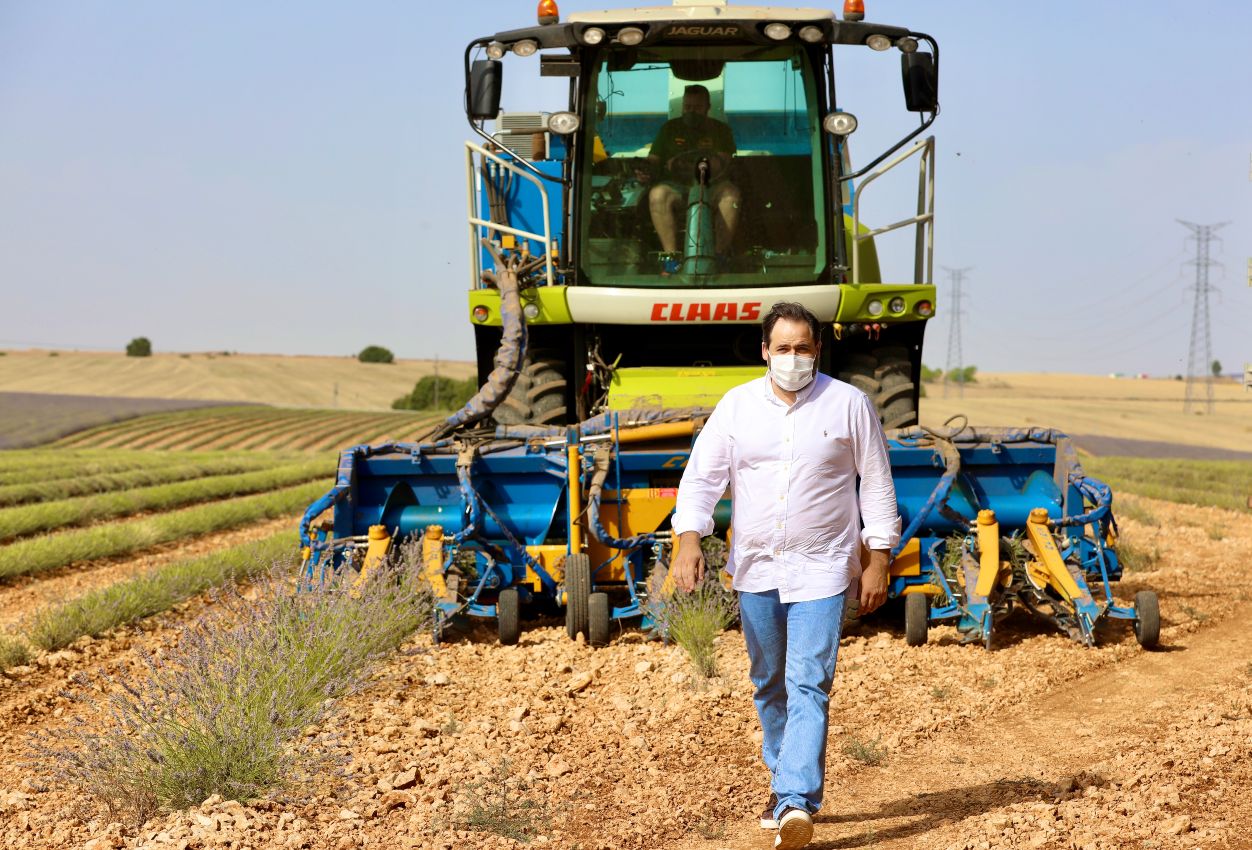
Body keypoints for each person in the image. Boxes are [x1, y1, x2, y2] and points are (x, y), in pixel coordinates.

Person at [670, 302, 900, 850]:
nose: (793, 358)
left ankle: (797, 799)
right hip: (755, 567)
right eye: (784, 348)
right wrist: (688, 541)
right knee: (769, 683)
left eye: (803, 348)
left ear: (818, 350)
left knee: (808, 681)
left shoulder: (848, 404)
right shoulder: (737, 407)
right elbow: (701, 480)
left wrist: (879, 556)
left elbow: (876, 483)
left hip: (823, 566)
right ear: (765, 350)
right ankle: (783, 784)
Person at [640, 84, 742, 273]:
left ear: (707, 107)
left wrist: (686, 163)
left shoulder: (721, 130)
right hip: (677, 187)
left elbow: (721, 162)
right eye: (687, 107)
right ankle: (670, 259)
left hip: (712, 185)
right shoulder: (669, 129)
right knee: (657, 194)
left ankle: (719, 256)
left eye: (696, 108)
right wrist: (644, 170)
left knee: (731, 196)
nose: (691, 111)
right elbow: (653, 160)